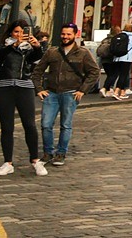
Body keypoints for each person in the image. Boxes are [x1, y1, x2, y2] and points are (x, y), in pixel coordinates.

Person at [33, 23, 100, 166]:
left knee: (65, 125)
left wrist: (83, 89)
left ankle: (61, 154)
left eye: (69, 34)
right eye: (63, 34)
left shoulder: (83, 53)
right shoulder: (52, 52)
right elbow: (37, 71)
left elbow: (94, 72)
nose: (65, 37)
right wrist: (39, 89)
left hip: (71, 94)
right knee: (46, 124)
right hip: (51, 93)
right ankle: (47, 153)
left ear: (75, 35)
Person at [0, 21, 46, 176]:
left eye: (22, 32)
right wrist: (14, 45)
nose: (19, 35)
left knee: (29, 124)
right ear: (10, 33)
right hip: (4, 88)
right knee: (7, 126)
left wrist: (36, 46)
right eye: (16, 32)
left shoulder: (28, 49)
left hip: (24, 88)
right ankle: (7, 163)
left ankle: (35, 160)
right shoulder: (3, 47)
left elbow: (38, 58)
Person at [111, 22, 132, 100]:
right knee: (123, 75)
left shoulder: (120, 36)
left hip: (117, 58)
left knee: (120, 74)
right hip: (127, 58)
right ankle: (116, 92)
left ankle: (122, 93)